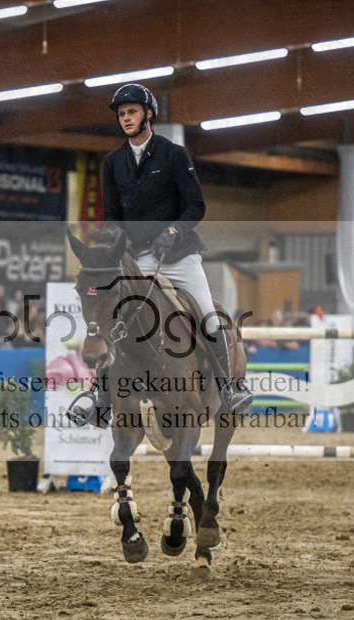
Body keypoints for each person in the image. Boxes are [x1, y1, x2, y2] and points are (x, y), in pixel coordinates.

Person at [73, 83, 252, 426]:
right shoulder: (113, 163)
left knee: (209, 318)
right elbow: (112, 215)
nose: (126, 118)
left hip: (180, 257)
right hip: (137, 259)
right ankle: (100, 399)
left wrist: (172, 231)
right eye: (122, 114)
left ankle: (229, 389)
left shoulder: (173, 154)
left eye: (132, 112)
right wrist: (111, 239)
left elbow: (195, 206)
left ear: (148, 114)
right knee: (115, 318)